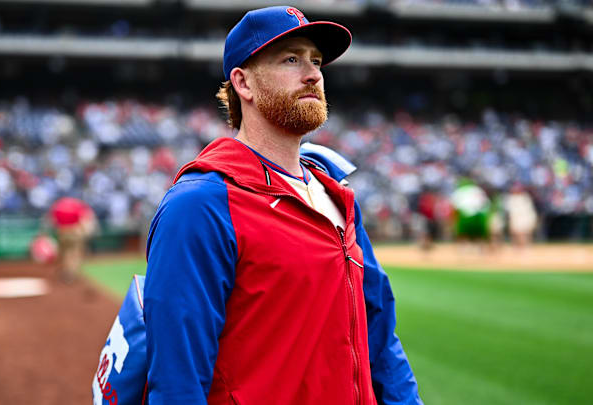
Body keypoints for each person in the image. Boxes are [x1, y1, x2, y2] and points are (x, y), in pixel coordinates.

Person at [144, 6, 422, 404]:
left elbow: (380, 334)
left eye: (316, 61)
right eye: (291, 59)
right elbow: (177, 382)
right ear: (243, 83)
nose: (312, 74)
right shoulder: (201, 205)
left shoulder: (338, 197)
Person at [48, 196, 97, 283]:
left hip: (62, 233)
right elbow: (85, 222)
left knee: (65, 253)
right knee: (73, 254)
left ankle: (66, 271)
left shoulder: (58, 207)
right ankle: (70, 273)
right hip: (74, 233)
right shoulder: (79, 207)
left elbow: (52, 221)